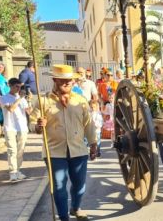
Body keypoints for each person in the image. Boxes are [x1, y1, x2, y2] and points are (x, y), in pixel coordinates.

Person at [35, 64, 97, 221]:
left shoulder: (80, 101)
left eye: (69, 80)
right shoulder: (43, 101)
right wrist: (37, 125)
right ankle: (63, 217)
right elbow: (31, 123)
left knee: (79, 186)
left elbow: (88, 124)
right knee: (59, 187)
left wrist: (93, 143)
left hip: (78, 150)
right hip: (54, 151)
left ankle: (75, 208)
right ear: (55, 80)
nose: (67, 83)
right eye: (63, 80)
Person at [0, 78, 32, 182]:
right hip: (10, 127)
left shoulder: (22, 98)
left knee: (20, 151)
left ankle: (18, 170)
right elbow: (11, 109)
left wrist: (29, 100)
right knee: (12, 151)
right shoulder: (4, 98)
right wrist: (20, 98)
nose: (18, 89)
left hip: (22, 127)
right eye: (16, 87)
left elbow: (29, 112)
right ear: (10, 86)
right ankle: (13, 172)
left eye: (19, 87)